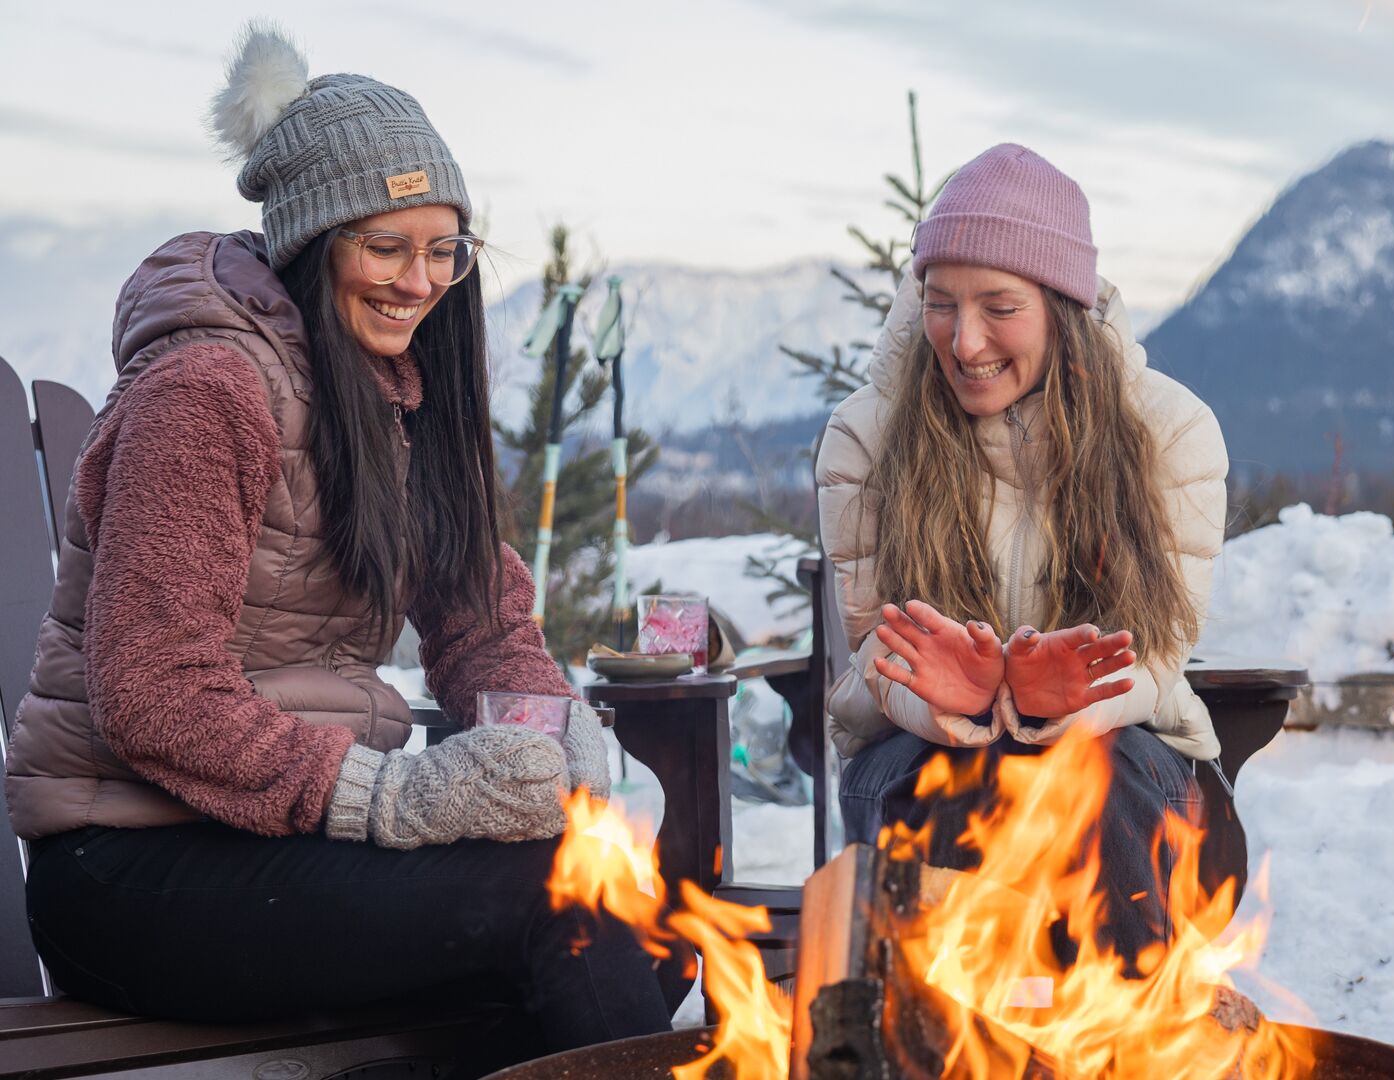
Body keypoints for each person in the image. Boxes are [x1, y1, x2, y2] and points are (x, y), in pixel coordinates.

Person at [3, 26, 675, 1055]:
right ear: (315, 244)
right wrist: (385, 795)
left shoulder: (398, 401)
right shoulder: (206, 391)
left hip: (287, 842)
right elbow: (151, 688)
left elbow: (478, 623)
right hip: (133, 863)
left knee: (634, 905)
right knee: (571, 908)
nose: (420, 281)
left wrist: (564, 738)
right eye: (386, 245)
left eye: (443, 249)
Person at [816, 143, 1229, 963]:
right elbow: (871, 654)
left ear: (1061, 306)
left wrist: (1077, 701)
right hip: (917, 763)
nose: (964, 342)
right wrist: (932, 699)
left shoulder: (1171, 435)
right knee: (961, 786)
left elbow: (1163, 656)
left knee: (1091, 788)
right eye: (940, 304)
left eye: (998, 307)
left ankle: (1122, 1040)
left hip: (1130, 766)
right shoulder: (867, 437)